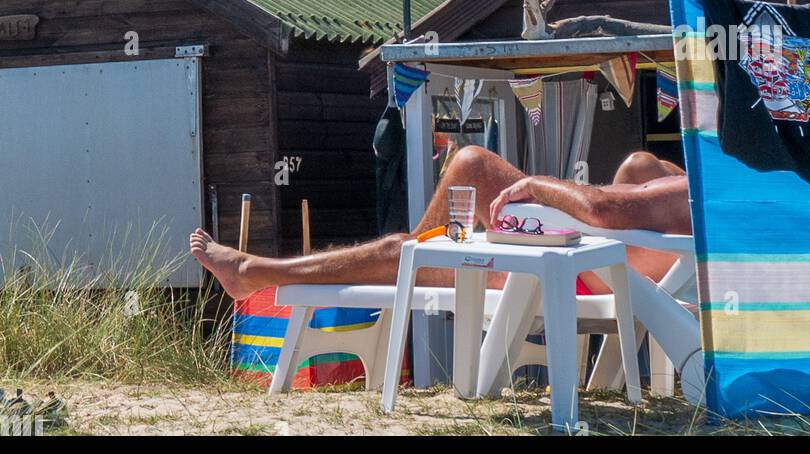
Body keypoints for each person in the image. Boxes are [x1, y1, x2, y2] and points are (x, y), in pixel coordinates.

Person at [190, 147, 690, 299]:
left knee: (400, 252)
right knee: (639, 165)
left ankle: (254, 272)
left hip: (568, 275)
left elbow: (603, 211)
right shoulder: (699, 187)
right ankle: (418, 245)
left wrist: (536, 186)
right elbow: (623, 198)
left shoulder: (697, 190)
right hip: (585, 264)